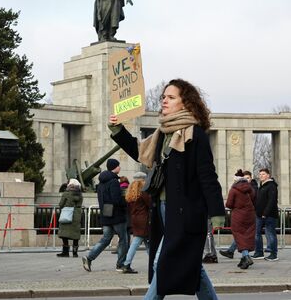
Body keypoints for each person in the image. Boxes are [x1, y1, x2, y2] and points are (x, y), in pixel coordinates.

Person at [109, 78, 225, 299]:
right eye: (164, 97)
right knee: (188, 265)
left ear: (185, 103)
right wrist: (117, 129)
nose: (164, 100)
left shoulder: (195, 134)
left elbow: (207, 175)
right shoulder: (163, 133)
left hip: (186, 211)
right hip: (163, 209)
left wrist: (217, 212)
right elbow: (139, 151)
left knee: (163, 263)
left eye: (171, 97)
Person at [82, 158, 128, 272]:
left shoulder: (101, 183)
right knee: (123, 239)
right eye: (118, 166)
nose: (120, 167)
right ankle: (121, 264)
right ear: (114, 167)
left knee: (106, 239)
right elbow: (116, 199)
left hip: (105, 214)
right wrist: (125, 204)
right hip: (116, 215)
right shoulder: (113, 182)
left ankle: (89, 257)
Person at [224, 169, 256, 269]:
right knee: (247, 235)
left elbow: (229, 204)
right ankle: (243, 259)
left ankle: (246, 257)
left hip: (238, 215)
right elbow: (254, 198)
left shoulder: (234, 189)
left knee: (239, 235)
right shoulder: (250, 188)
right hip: (250, 214)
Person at [122, 172, 151, 274]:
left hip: (135, 219)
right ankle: (126, 264)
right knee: (137, 243)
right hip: (144, 220)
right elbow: (150, 204)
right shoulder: (143, 192)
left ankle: (155, 263)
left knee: (148, 243)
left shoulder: (130, 193)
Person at [251, 168, 279, 261]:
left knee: (270, 234)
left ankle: (273, 254)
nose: (261, 176)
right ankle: (259, 252)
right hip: (259, 214)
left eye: (263, 174)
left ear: (268, 175)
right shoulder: (261, 186)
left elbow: (272, 201)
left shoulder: (271, 186)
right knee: (256, 233)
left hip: (269, 215)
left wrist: (265, 213)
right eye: (260, 174)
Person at [56, 178, 83, 258]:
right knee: (75, 234)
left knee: (64, 233)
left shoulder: (66, 193)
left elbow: (61, 204)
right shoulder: (80, 194)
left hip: (67, 214)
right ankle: (75, 253)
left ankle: (65, 252)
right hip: (77, 215)